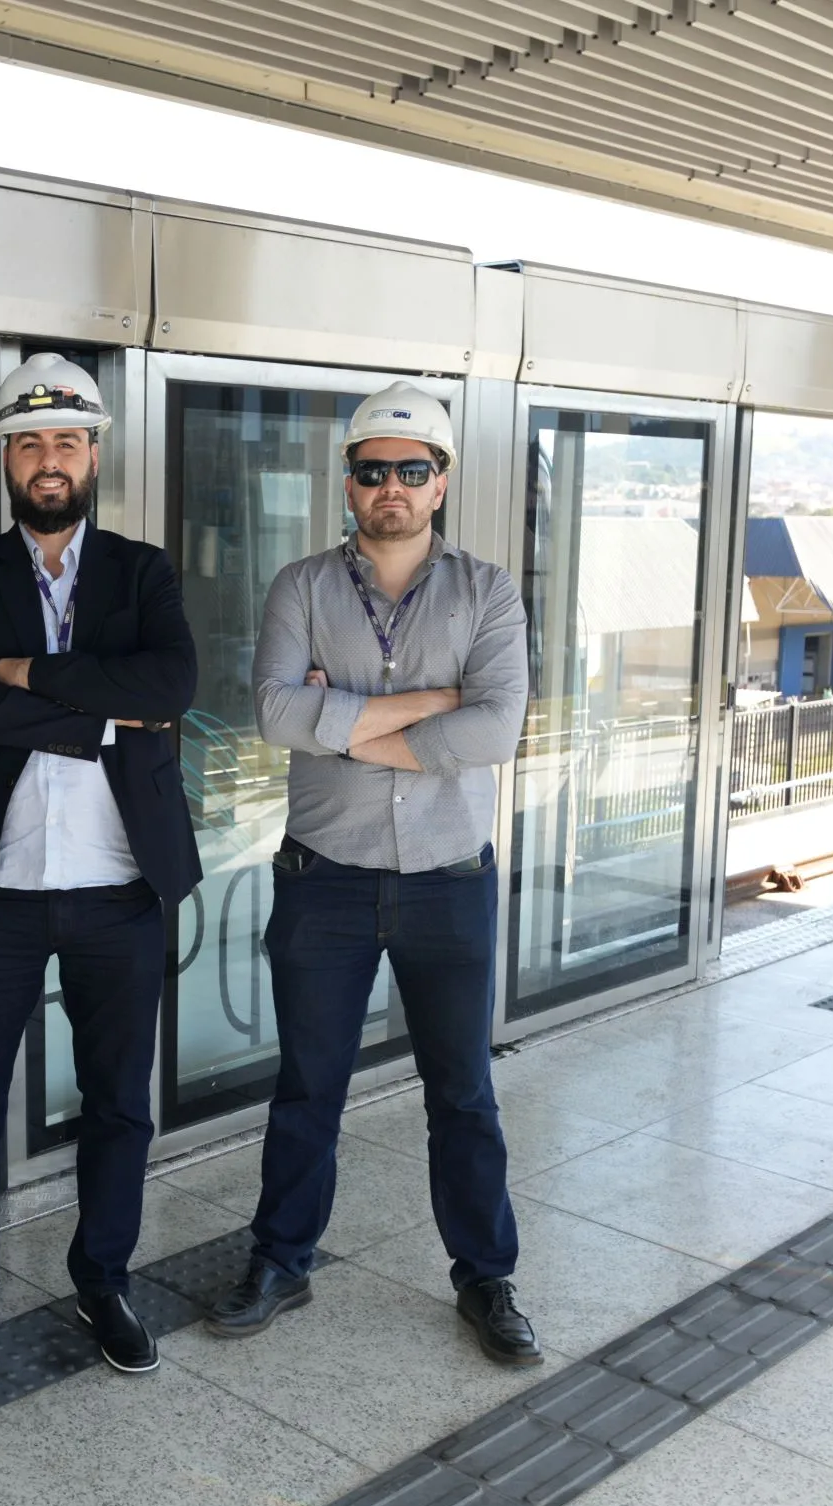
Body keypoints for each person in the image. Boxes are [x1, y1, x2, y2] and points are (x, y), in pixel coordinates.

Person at [205, 381, 541, 1367]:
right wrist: (436, 704)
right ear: (347, 482)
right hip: (327, 881)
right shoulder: (300, 587)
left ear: (441, 482)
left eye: (412, 469)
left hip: (450, 880)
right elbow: (275, 715)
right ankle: (281, 1262)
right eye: (372, 470)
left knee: (463, 1093)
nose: (391, 485)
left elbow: (498, 728)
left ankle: (486, 1278)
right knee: (307, 1088)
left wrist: (345, 724)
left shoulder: (489, 592)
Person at [0, 354, 200, 1379]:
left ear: (93, 455)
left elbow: (170, 685)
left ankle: (103, 1279)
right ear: (7, 458)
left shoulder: (143, 571)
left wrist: (30, 674)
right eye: (29, 442)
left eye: (66, 441)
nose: (48, 459)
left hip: (120, 885)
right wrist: (102, 714)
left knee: (120, 1100)